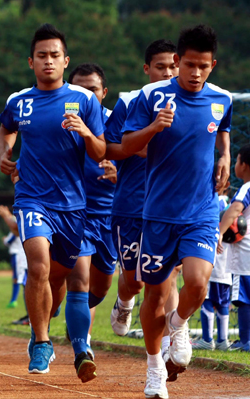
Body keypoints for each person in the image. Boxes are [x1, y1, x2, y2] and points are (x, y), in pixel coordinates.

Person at [121, 25, 231, 398]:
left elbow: (222, 128)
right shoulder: (151, 97)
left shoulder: (222, 99)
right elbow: (124, 144)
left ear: (212, 65)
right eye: (188, 65)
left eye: (203, 66)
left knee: (199, 282)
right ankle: (154, 369)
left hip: (200, 210)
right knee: (154, 295)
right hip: (157, 213)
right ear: (176, 62)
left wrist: (226, 156)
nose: (195, 73)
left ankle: (180, 323)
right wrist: (154, 127)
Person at [0, 24, 105, 380]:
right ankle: (41, 341)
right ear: (31, 61)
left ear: (65, 60)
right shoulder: (19, 101)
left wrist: (87, 132)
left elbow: (101, 150)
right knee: (39, 266)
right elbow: (5, 128)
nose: (48, 61)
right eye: (41, 56)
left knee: (60, 277)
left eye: (54, 56)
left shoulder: (85, 100)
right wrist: (5, 151)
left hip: (73, 206)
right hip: (32, 198)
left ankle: (53, 328)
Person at [105, 40, 185, 376]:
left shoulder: (192, 101)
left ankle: (174, 340)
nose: (167, 73)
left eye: (172, 67)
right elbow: (109, 146)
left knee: (167, 277)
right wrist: (144, 145)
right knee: (135, 282)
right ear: (146, 69)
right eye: (160, 67)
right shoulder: (129, 101)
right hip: (132, 205)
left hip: (171, 206)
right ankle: (123, 304)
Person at [65, 62, 117, 362]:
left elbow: (136, 164)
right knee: (78, 280)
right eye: (79, 89)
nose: (86, 94)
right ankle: (81, 349)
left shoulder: (116, 124)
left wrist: (118, 175)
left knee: (100, 288)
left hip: (109, 217)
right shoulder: (62, 123)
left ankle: (71, 315)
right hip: (73, 214)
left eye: (92, 89)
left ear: (104, 92)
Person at [193, 184, 232, 350]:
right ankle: (223, 340)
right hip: (227, 264)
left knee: (207, 298)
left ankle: (208, 339)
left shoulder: (213, 203)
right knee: (223, 302)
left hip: (212, 260)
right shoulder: (230, 205)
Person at [219, 144, 250, 352]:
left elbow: (236, 209)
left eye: (237, 160)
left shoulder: (247, 187)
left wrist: (219, 234)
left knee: (243, 298)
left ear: (244, 165)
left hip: (245, 253)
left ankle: (246, 342)